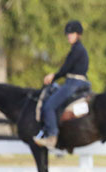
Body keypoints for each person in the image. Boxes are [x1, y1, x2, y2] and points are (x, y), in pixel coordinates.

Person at [33, 20, 90, 149]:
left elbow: (65, 69)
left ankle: (52, 137)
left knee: (48, 106)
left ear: (78, 34)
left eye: (72, 33)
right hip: (76, 81)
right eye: (68, 34)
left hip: (73, 83)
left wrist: (53, 76)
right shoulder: (77, 49)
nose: (69, 36)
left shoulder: (77, 50)